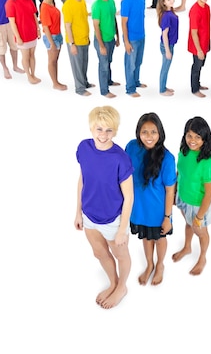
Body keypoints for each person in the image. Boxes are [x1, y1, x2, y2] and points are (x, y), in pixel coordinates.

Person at [74, 106, 133, 309]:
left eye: (109, 130)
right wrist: (78, 212)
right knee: (99, 253)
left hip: (113, 219)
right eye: (99, 129)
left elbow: (129, 196)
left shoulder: (120, 158)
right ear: (91, 128)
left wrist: (123, 230)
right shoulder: (84, 148)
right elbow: (83, 179)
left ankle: (122, 287)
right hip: (89, 215)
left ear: (115, 131)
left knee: (121, 254)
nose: (103, 135)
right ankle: (114, 283)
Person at [126, 113, 176, 286]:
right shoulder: (131, 147)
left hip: (158, 211)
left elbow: (170, 191)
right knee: (146, 238)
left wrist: (167, 217)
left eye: (153, 132)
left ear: (160, 133)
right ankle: (149, 265)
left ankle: (160, 265)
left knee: (160, 238)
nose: (149, 136)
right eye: (144, 132)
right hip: (138, 208)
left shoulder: (167, 158)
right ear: (138, 132)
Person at [172, 116, 211, 275]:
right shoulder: (184, 152)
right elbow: (180, 173)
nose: (192, 140)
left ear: (205, 139)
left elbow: (210, 193)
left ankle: (203, 257)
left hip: (199, 204)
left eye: (197, 137)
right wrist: (175, 192)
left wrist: (199, 216)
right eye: (189, 136)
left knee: (200, 230)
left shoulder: (209, 161)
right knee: (188, 223)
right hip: (183, 197)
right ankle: (187, 247)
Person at [5, 0, 41, 84]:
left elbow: (34, 15)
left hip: (32, 31)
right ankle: (29, 76)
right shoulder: (10, 3)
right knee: (25, 56)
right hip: (22, 34)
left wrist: (38, 29)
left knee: (32, 55)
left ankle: (33, 74)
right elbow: (12, 22)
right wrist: (18, 37)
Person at [92, 0, 120, 99]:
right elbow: (96, 26)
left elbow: (114, 19)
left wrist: (117, 36)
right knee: (103, 65)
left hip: (111, 39)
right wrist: (101, 45)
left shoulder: (112, 2)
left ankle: (109, 81)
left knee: (108, 62)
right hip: (101, 41)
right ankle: (104, 91)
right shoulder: (97, 5)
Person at [63, 0, 92, 96]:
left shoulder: (83, 1)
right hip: (75, 41)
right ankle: (79, 88)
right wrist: (72, 44)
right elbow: (68, 26)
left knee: (84, 64)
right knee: (77, 66)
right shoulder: (68, 5)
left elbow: (84, 16)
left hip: (85, 39)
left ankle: (85, 83)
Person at [121, 0, 147, 97]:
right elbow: (123, 23)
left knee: (138, 61)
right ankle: (130, 89)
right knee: (130, 64)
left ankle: (136, 82)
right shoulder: (126, 1)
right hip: (131, 38)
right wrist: (126, 42)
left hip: (141, 36)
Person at [39, 0, 67, 90]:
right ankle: (55, 83)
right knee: (52, 61)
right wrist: (52, 43)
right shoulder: (45, 7)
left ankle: (56, 81)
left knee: (55, 61)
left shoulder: (51, 3)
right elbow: (45, 28)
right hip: (52, 37)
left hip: (57, 35)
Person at [188, 0, 211, 98]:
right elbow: (194, 32)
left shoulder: (207, 7)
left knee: (201, 65)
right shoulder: (195, 10)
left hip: (205, 43)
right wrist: (199, 50)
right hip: (197, 46)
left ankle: (198, 83)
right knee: (196, 66)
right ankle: (195, 89)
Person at [157, 0, 179, 96]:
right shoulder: (166, 16)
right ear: (163, 2)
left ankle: (164, 86)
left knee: (166, 67)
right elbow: (164, 34)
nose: (171, 1)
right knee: (165, 67)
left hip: (171, 44)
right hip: (167, 46)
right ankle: (162, 90)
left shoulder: (171, 12)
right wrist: (167, 50)